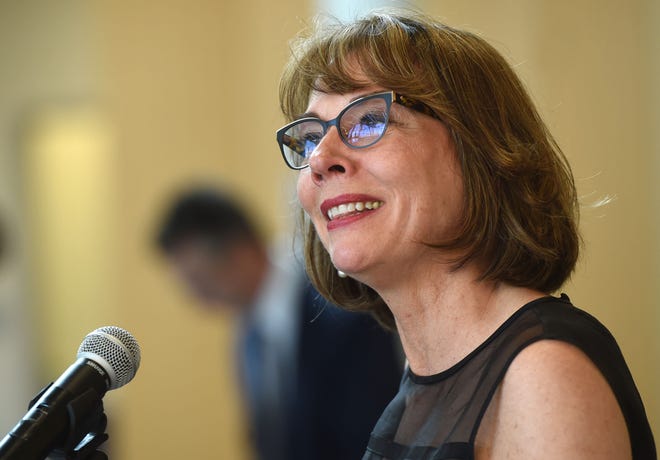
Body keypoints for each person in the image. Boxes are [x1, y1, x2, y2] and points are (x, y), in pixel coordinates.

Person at [275, 9, 656, 460]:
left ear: (479, 148)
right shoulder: (419, 387)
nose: (320, 158)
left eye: (368, 120)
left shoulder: (540, 374)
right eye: (310, 136)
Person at [155, 188, 403, 460]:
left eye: (199, 280)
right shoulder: (247, 334)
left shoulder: (342, 306)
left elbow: (374, 427)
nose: (198, 299)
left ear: (241, 250)